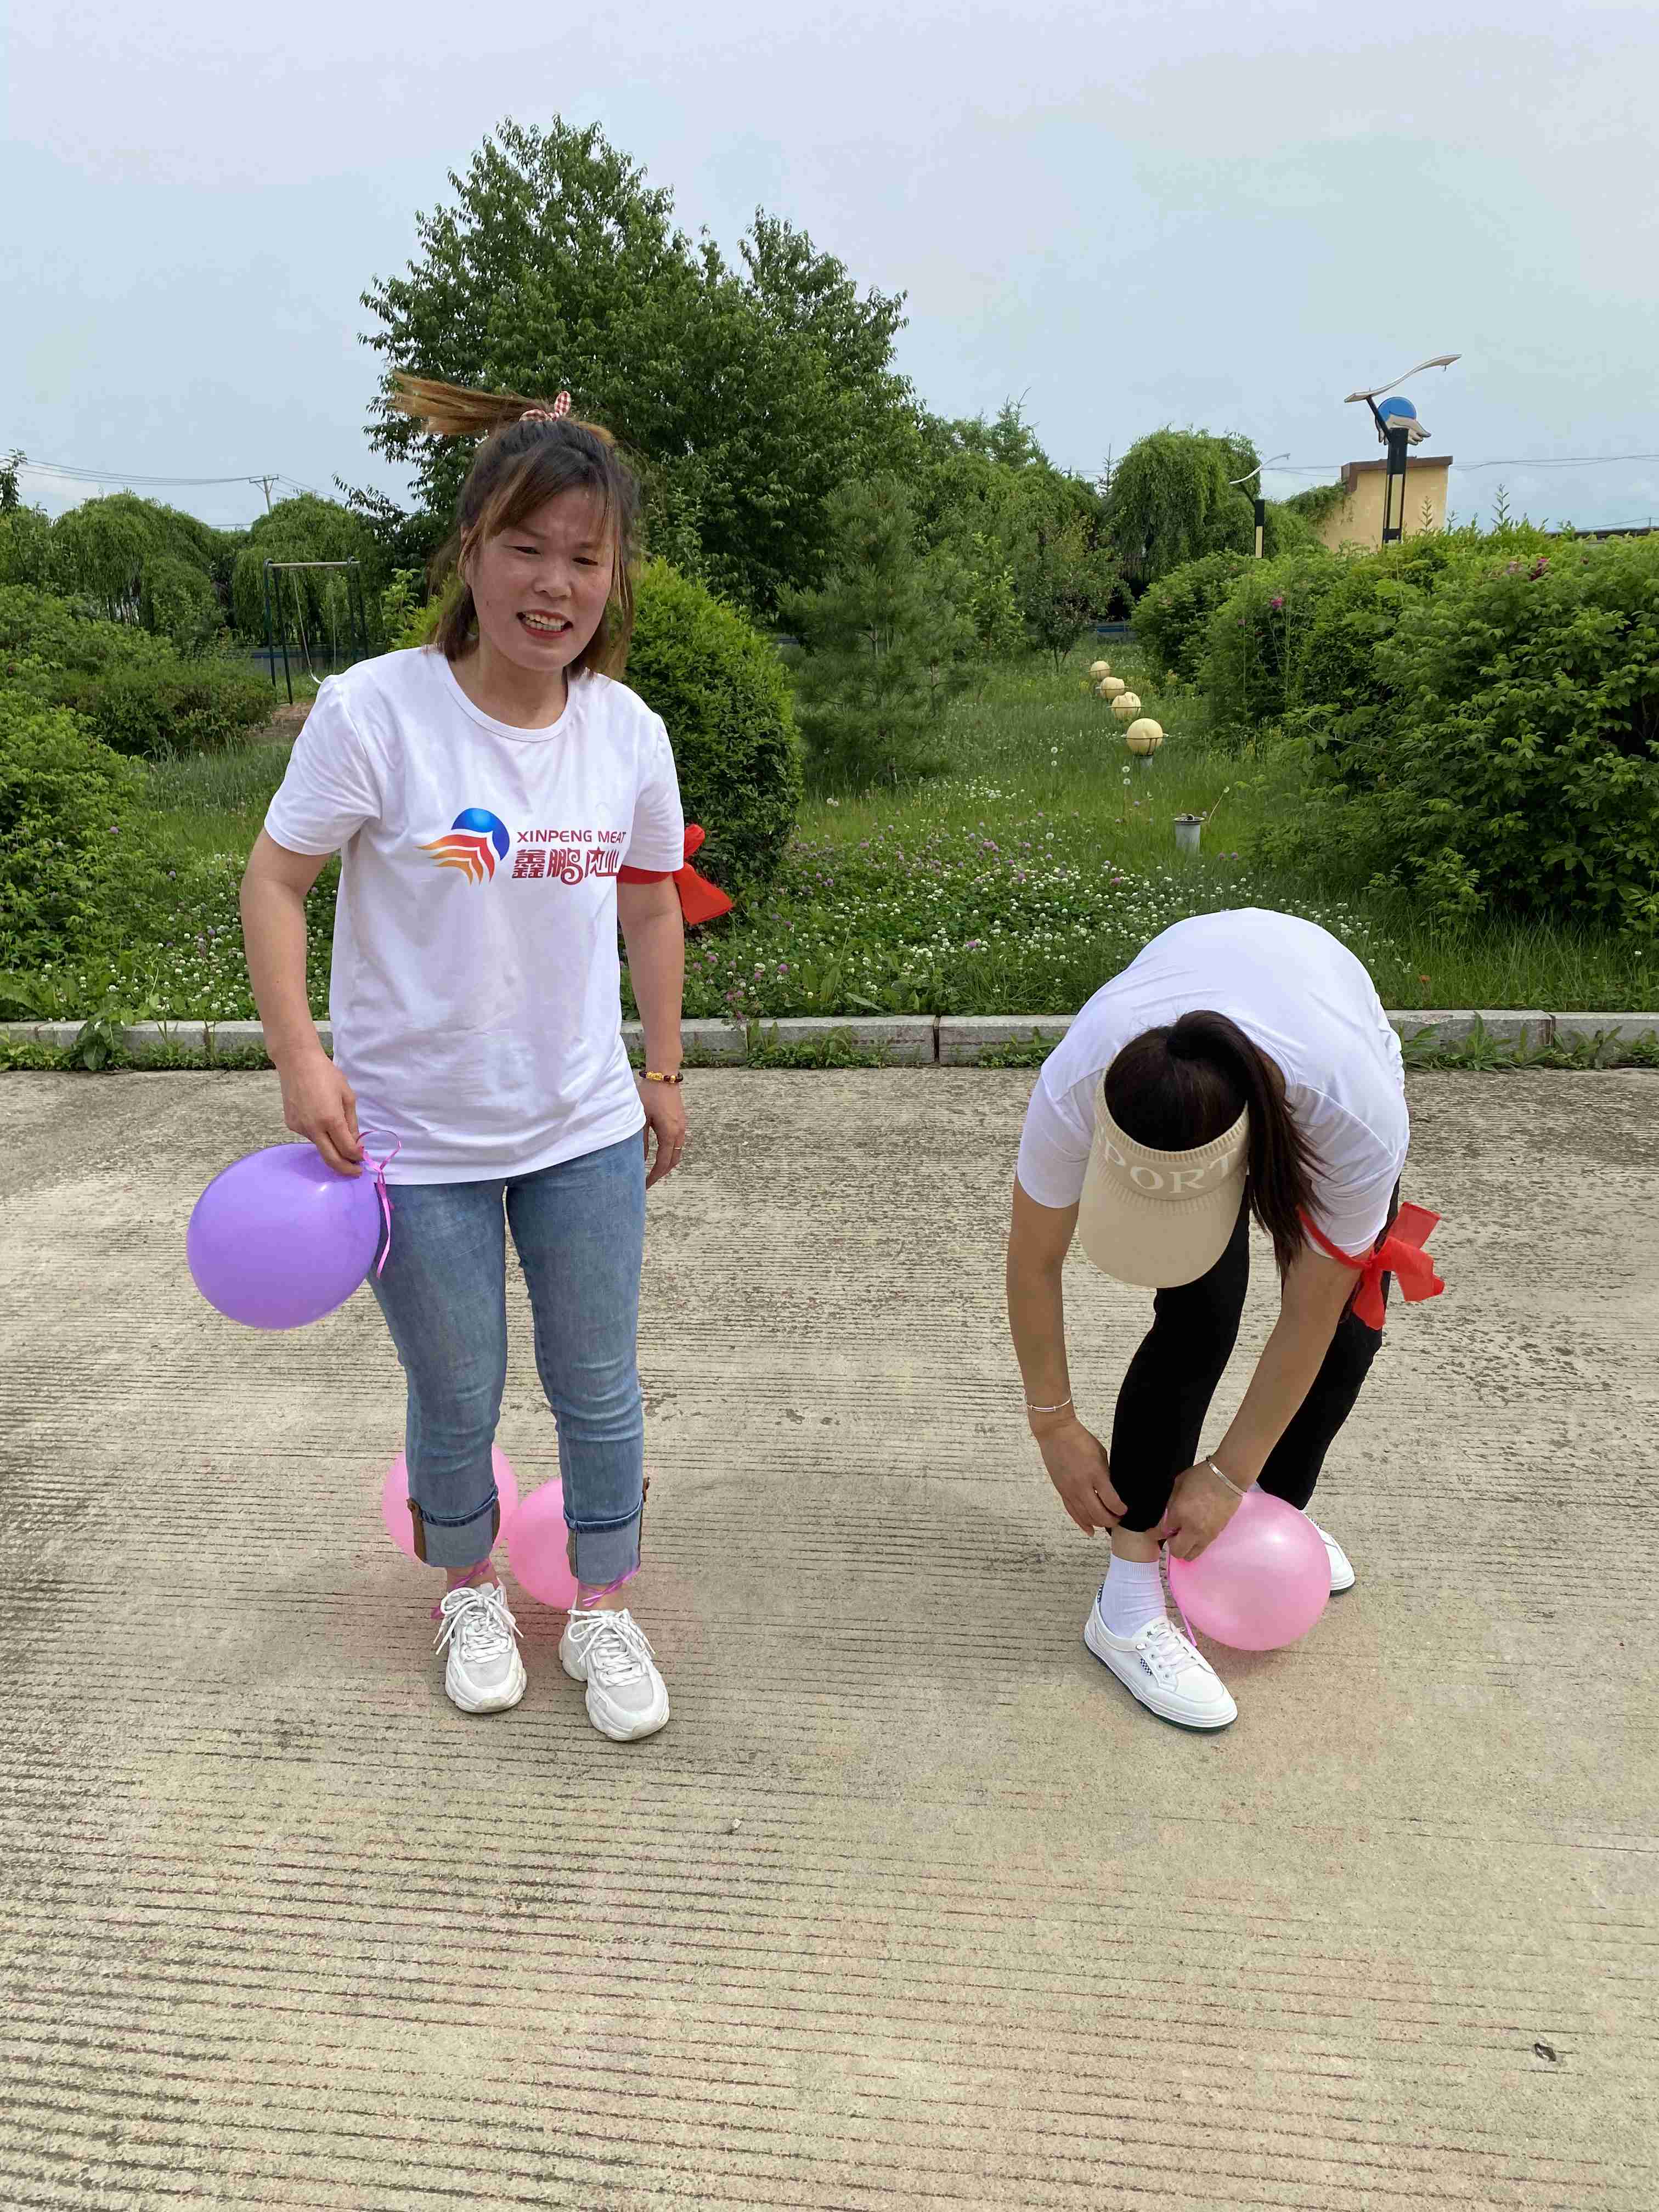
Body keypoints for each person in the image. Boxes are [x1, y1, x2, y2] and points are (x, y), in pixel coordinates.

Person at [240, 375, 705, 1741]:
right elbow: (274, 882)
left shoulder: (628, 732)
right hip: (413, 1137)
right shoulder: (377, 712)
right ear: (470, 551)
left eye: (585, 558)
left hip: (580, 1127)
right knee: (456, 1390)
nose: (554, 585)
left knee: (599, 1385)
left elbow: (650, 903)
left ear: (613, 578)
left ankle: (604, 1605)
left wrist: (663, 1070)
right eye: (526, 548)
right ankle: (470, 1587)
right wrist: (300, 1059)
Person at [1005, 909, 1440, 1731]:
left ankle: (1266, 1522)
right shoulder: (1078, 1081)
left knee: (1349, 1335)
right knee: (1198, 1315)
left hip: (1319, 1057)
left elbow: (1309, 1318)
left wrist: (1233, 1478)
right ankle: (1128, 1601)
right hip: (1210, 1027)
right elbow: (1034, 1259)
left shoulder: (1352, 1117)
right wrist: (1053, 1424)